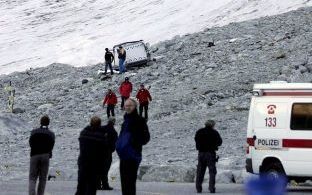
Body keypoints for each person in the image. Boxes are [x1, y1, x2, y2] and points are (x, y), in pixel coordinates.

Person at [116, 98, 150, 195]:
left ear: (135, 106)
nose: (128, 107)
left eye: (130, 105)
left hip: (133, 155)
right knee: (124, 182)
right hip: (123, 155)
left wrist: (134, 143)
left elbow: (146, 138)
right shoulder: (125, 121)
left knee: (130, 182)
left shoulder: (139, 120)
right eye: (126, 105)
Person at [75, 116, 107, 195]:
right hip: (95, 164)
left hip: (83, 161)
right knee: (92, 187)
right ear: (100, 124)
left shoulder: (84, 132)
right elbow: (104, 151)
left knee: (81, 186)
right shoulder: (101, 136)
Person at [29, 115, 55, 195]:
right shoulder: (51, 134)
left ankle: (32, 193)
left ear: (40, 122)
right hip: (45, 155)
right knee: (43, 178)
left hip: (34, 155)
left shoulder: (34, 132)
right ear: (48, 123)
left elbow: (30, 143)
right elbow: (52, 145)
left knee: (33, 177)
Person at [195, 120, 222, 193]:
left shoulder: (199, 131)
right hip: (210, 154)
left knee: (200, 171)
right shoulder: (214, 132)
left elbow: (196, 140)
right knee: (212, 172)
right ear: (212, 125)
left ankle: (198, 188)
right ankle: (211, 188)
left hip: (201, 154)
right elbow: (220, 142)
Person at [96, 117, 118, 190]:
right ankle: (105, 185)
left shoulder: (101, 128)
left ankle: (98, 185)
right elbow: (115, 143)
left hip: (98, 152)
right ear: (114, 122)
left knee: (98, 168)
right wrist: (111, 150)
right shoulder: (114, 132)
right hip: (107, 153)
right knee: (105, 169)